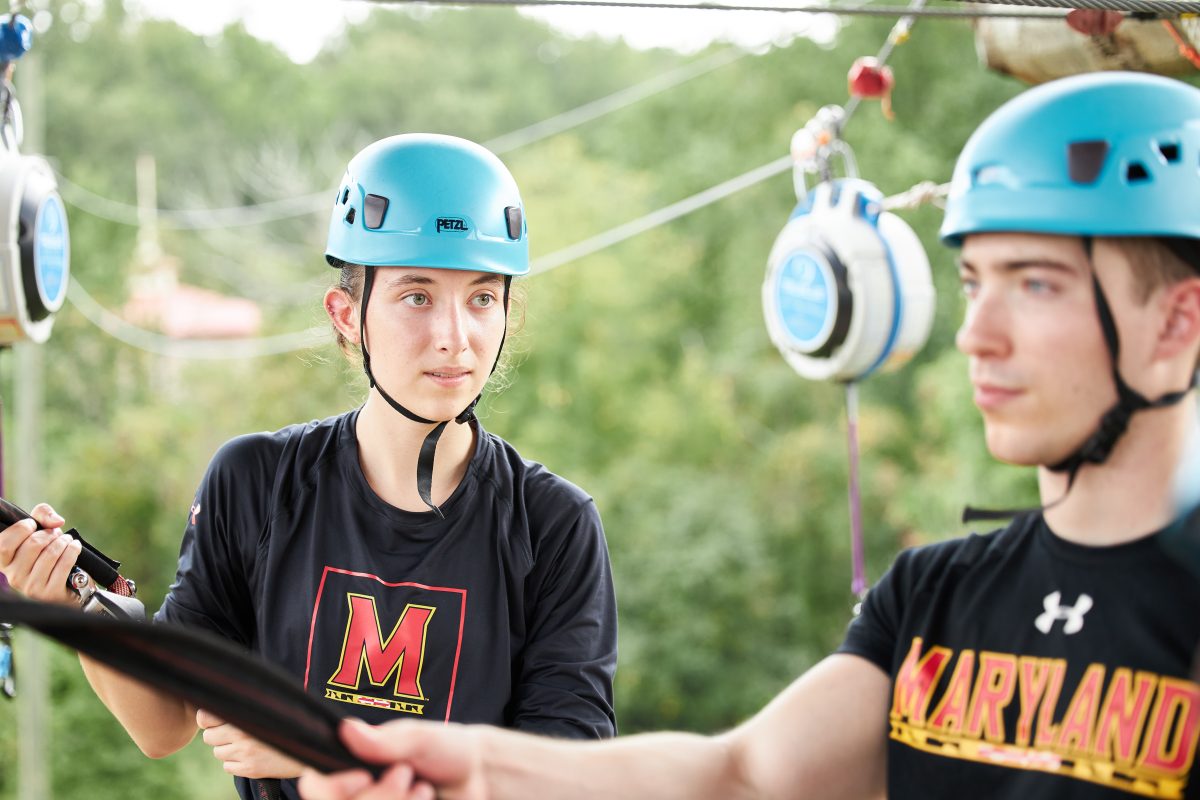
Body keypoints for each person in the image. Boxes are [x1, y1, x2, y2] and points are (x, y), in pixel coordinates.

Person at [297, 71, 1200, 800]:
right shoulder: (936, 598)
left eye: (1035, 284)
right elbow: (742, 775)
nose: (976, 334)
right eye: (972, 284)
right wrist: (477, 771)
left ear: (1176, 322)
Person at [0, 134, 618, 799]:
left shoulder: (552, 526)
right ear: (346, 315)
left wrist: (328, 750)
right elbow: (168, 724)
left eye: (480, 299)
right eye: (416, 296)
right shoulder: (258, 484)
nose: (454, 336)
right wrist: (76, 610)